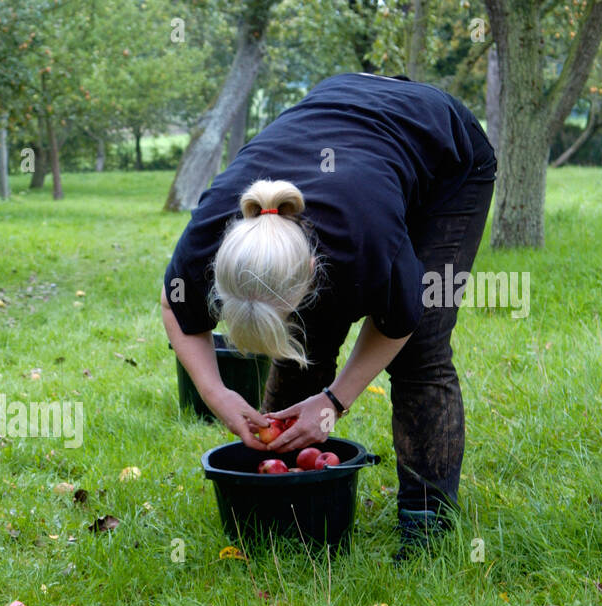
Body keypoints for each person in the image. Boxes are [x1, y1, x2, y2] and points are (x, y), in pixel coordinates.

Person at [162, 73, 496, 557]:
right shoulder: (214, 229)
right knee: (307, 338)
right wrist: (216, 394)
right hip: (350, 118)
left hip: (446, 155)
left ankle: (428, 523)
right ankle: (289, 492)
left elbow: (400, 322)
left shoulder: (366, 239)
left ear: (315, 269)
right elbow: (178, 307)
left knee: (421, 349)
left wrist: (334, 401)